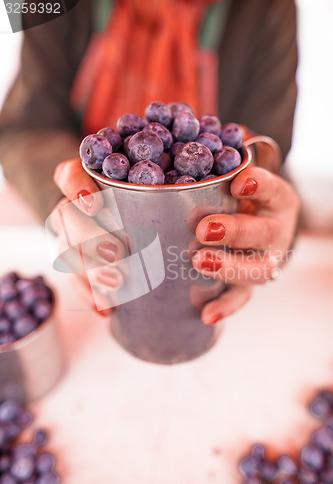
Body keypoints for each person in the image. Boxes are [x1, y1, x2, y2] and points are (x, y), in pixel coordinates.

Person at [0, 0, 300, 325]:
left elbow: (267, 154)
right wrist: (70, 207)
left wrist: (270, 227)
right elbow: (26, 129)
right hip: (109, 248)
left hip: (200, 265)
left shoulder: (270, 7)